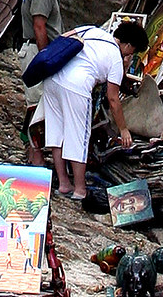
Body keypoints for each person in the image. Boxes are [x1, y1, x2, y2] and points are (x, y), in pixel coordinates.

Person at [43, 21, 149, 200]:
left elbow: (64, 37)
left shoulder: (93, 31)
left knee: (56, 134)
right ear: (129, 45)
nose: (130, 56)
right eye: (132, 52)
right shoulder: (115, 57)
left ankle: (63, 184)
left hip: (53, 79)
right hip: (76, 86)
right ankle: (80, 189)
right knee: (78, 138)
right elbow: (113, 99)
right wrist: (123, 130)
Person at [19, 0, 84, 166]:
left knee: (39, 106)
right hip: (36, 52)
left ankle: (33, 158)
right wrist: (47, 58)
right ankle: (35, 160)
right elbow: (40, 26)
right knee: (37, 107)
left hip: (37, 52)